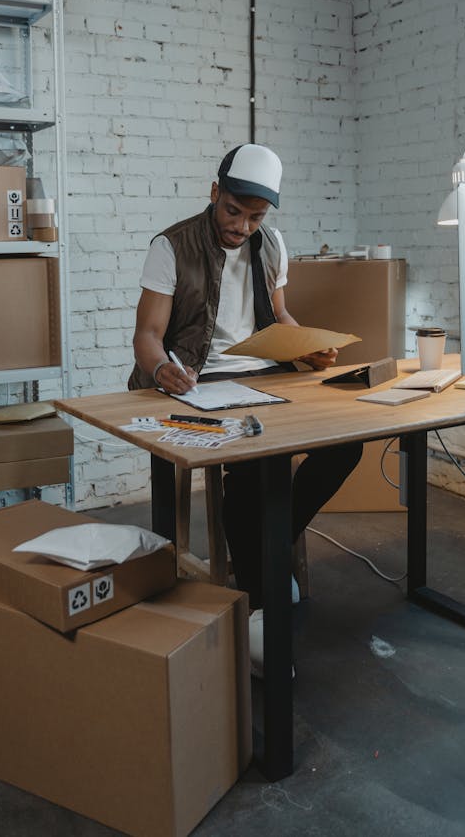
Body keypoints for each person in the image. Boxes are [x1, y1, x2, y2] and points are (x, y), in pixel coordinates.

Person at [129, 144, 362, 671]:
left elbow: (279, 315)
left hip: (264, 376)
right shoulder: (172, 246)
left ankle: (269, 557)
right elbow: (146, 334)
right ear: (215, 193)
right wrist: (161, 368)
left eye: (255, 217)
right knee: (252, 467)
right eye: (233, 211)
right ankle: (260, 602)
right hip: (197, 379)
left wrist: (307, 345)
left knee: (347, 444)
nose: (241, 226)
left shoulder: (271, 243)